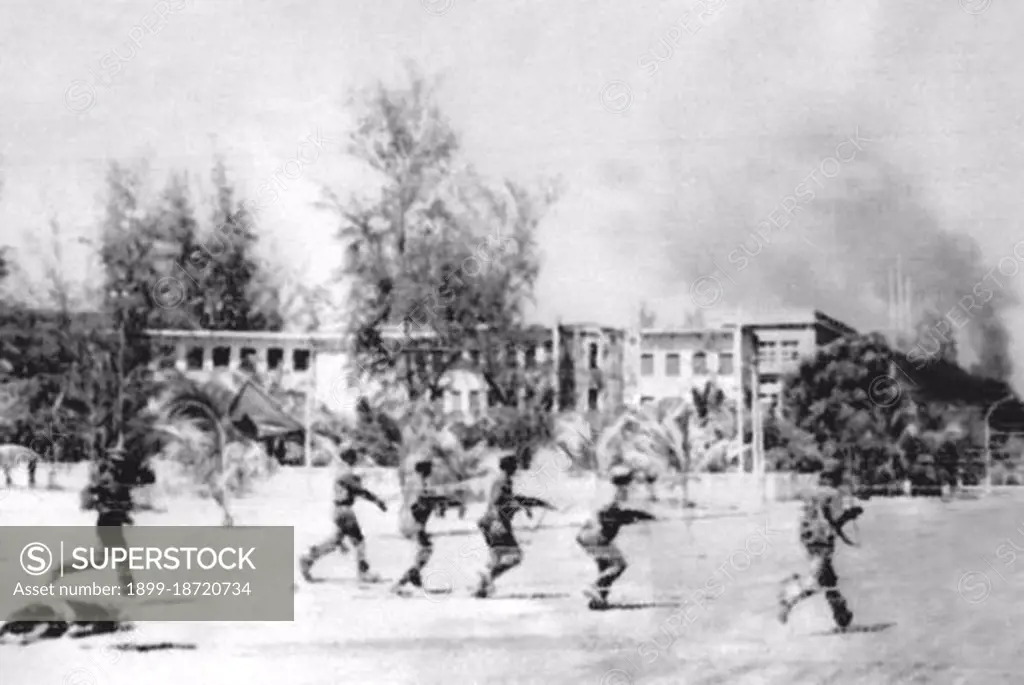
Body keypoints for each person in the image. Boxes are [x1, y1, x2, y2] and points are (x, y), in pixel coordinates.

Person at [777, 459, 863, 629]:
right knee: (816, 579)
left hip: (808, 535)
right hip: (822, 539)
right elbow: (835, 520)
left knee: (829, 578)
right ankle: (789, 595)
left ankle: (841, 612)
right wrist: (851, 514)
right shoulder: (834, 494)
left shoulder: (812, 491)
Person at [49, 436, 135, 595]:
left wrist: (125, 514)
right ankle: (129, 593)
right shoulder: (107, 478)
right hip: (107, 525)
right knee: (116, 559)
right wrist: (103, 506)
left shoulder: (119, 478)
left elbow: (122, 502)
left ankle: (61, 569)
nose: (119, 463)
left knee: (104, 560)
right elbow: (93, 496)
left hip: (112, 524)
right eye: (118, 460)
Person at [299, 443, 388, 583]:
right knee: (359, 542)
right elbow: (361, 491)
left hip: (338, 510)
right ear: (349, 456)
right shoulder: (346, 473)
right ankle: (364, 573)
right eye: (354, 455)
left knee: (335, 541)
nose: (356, 458)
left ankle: (308, 558)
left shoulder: (342, 471)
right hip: (345, 511)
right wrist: (377, 501)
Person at [473, 452, 556, 598]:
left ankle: (482, 588)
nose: (517, 468)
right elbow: (496, 502)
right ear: (510, 467)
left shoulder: (504, 481)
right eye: (515, 465)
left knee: (497, 557)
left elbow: (514, 499)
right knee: (515, 556)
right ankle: (486, 578)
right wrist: (499, 520)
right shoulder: (502, 481)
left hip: (489, 523)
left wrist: (538, 503)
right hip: (496, 523)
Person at [576, 465, 657, 610]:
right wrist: (638, 516)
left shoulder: (605, 489)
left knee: (604, 566)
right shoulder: (618, 493)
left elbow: (616, 514)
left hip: (587, 534)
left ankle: (599, 600)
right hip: (597, 535)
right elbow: (613, 515)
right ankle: (594, 587)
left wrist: (635, 516)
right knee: (618, 565)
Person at [390, 452, 464, 597]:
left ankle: (412, 577)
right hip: (413, 521)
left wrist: (440, 500)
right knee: (426, 549)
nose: (432, 471)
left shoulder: (416, 481)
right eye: (430, 468)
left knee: (425, 550)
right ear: (425, 469)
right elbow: (418, 503)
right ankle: (404, 580)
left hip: (409, 520)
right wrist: (440, 501)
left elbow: (426, 497)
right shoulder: (417, 482)